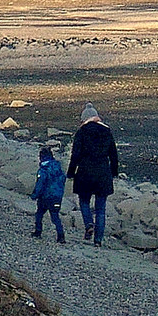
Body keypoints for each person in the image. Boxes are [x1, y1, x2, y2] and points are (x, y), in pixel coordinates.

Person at [67, 103, 119, 245]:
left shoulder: (81, 132)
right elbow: (113, 154)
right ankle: (98, 240)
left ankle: (89, 224)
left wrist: (71, 172)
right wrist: (114, 172)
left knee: (84, 201)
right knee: (101, 209)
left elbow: (75, 155)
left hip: (85, 172)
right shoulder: (107, 131)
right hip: (103, 173)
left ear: (84, 119)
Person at [31, 144, 67, 243]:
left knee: (39, 214)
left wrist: (35, 195)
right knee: (55, 217)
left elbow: (40, 184)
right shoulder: (59, 169)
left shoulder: (43, 170)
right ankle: (61, 236)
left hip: (45, 197)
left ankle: (38, 231)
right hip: (57, 197)